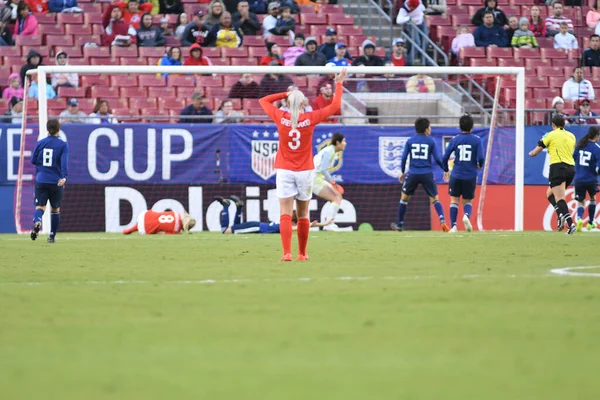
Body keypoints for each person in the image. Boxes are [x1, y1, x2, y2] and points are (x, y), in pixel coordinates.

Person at [258, 68, 347, 261]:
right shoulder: (310, 118)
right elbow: (335, 106)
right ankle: (302, 253)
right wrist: (338, 83)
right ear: (304, 104)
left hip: (284, 169)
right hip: (305, 171)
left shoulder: (281, 118)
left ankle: (287, 252)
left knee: (285, 212)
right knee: (303, 212)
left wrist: (285, 93)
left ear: (287, 103)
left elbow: (263, 101)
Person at [392, 118, 449, 232]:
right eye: (430, 127)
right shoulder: (431, 141)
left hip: (413, 173)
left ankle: (399, 224)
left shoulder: (410, 141)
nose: (430, 129)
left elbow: (404, 158)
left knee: (404, 199)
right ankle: (443, 221)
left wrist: (402, 172)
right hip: (427, 173)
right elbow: (438, 159)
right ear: (426, 129)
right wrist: (445, 169)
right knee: (435, 199)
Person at [528, 115, 576, 234]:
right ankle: (560, 214)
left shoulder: (550, 134)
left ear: (553, 125)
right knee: (550, 193)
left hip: (557, 167)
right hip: (571, 169)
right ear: (564, 125)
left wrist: (531, 153)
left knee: (559, 198)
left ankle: (570, 224)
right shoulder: (571, 136)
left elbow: (536, 151)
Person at [442, 114, 485, 232]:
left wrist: (446, 170)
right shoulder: (477, 140)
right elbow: (481, 157)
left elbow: (445, 157)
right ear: (472, 127)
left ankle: (454, 226)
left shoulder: (455, 139)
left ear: (460, 127)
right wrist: (480, 165)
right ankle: (466, 216)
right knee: (467, 200)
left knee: (454, 200)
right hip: (470, 175)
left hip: (456, 174)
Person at [30, 119, 68, 243]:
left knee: (40, 207)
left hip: (41, 180)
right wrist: (63, 177)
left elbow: (33, 160)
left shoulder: (41, 143)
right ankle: (51, 236)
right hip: (56, 181)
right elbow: (64, 163)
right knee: (55, 209)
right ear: (59, 128)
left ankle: (37, 221)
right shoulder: (63, 145)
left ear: (47, 129)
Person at [215, 196, 329, 234]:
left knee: (236, 227)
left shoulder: (285, 223)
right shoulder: (286, 226)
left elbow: (298, 227)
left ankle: (239, 207)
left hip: (256, 226)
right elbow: (297, 228)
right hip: (256, 227)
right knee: (225, 230)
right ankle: (226, 205)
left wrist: (321, 224)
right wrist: (310, 225)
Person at [310, 133, 346, 230]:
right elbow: (323, 169)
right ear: (337, 142)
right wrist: (332, 182)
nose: (345, 143)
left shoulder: (330, 151)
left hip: (316, 178)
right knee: (336, 198)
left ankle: (328, 223)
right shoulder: (330, 151)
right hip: (315, 179)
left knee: (337, 197)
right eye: (343, 141)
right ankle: (329, 224)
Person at [572, 126, 600, 231]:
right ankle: (591, 223)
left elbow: (573, 158)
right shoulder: (597, 148)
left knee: (581, 200)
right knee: (592, 199)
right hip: (591, 179)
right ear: (596, 136)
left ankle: (579, 219)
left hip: (579, 178)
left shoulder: (580, 145)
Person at [396, 0, 427, 66]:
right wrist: (409, 18)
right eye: (413, 7)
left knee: (425, 42)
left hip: (421, 22)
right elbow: (398, 20)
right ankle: (409, 62)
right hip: (412, 25)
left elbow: (423, 8)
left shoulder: (419, 2)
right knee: (417, 43)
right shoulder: (404, 8)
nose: (414, 8)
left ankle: (423, 62)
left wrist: (423, 15)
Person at [123, 209, 196, 234]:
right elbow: (162, 233)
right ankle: (130, 230)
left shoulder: (176, 214)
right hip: (146, 229)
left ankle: (129, 230)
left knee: (154, 220)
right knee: (155, 227)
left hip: (145, 215)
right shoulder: (176, 231)